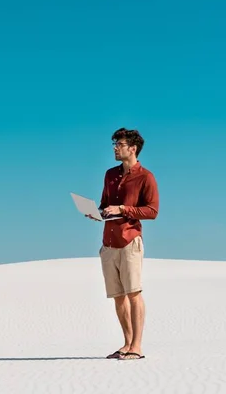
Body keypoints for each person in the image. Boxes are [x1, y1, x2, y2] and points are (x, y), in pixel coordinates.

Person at [86, 127, 159, 360]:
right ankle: (126, 344)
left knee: (133, 293)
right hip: (108, 242)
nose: (116, 148)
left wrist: (123, 209)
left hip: (130, 240)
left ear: (133, 148)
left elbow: (152, 210)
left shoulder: (145, 176)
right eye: (114, 144)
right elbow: (105, 203)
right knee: (118, 296)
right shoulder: (109, 174)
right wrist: (96, 213)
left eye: (120, 144)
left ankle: (137, 346)